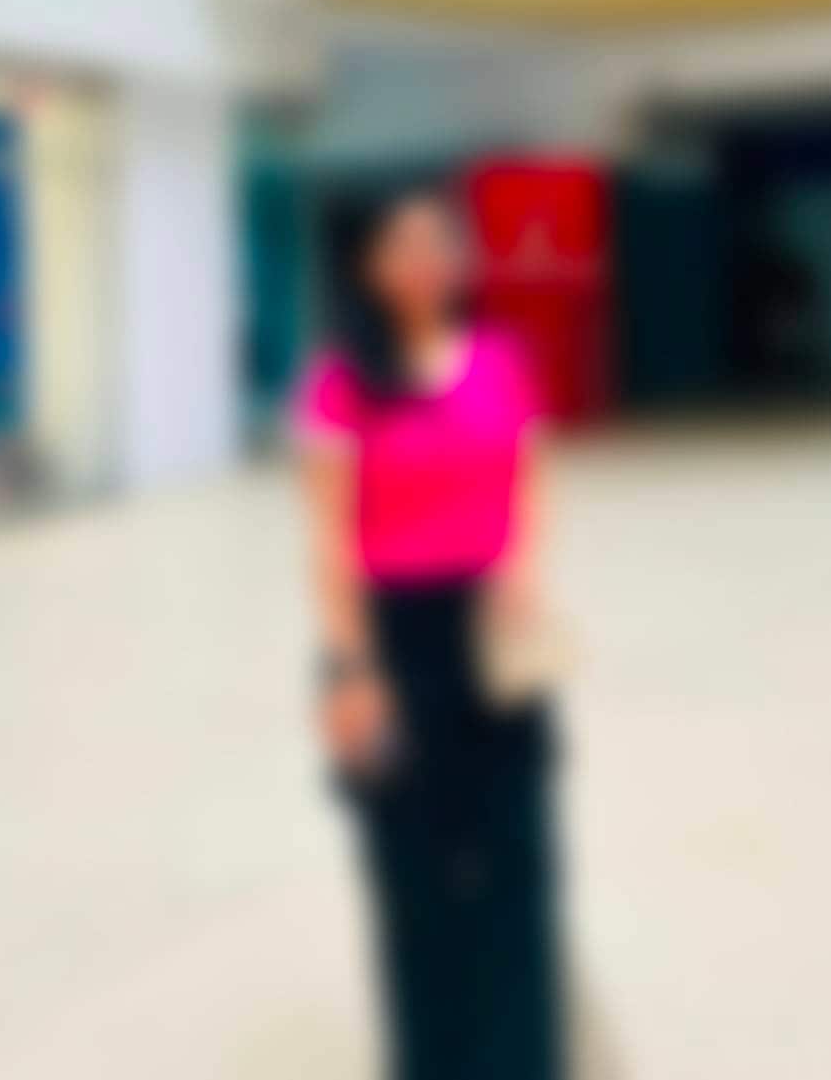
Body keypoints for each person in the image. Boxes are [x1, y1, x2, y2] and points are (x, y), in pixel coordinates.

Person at [291, 184, 564, 1080]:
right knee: (413, 877)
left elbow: (529, 482)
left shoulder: (502, 360)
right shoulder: (341, 381)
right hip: (390, 639)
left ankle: (522, 1057)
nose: (425, 260)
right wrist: (352, 667)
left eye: (441, 242)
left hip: (494, 636)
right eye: (403, 245)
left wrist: (522, 569)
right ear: (372, 267)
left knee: (519, 858)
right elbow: (328, 540)